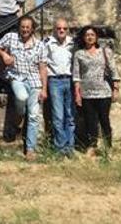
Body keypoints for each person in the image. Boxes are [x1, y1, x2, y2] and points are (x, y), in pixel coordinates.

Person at [0, 16, 47, 160]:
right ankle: (19, 116)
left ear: (32, 29)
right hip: (16, 77)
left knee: (34, 115)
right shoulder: (11, 37)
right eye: (22, 27)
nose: (25, 29)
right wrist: (4, 54)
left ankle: (30, 149)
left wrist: (44, 88)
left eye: (27, 27)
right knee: (21, 97)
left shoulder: (40, 45)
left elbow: (42, 68)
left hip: (34, 81)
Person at [73, 26, 120, 155]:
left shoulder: (105, 51)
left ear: (96, 37)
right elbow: (76, 76)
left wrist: (115, 88)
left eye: (92, 35)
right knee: (90, 122)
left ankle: (108, 147)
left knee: (104, 120)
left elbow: (114, 70)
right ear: (83, 37)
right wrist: (77, 94)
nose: (89, 37)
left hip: (104, 92)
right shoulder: (79, 54)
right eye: (87, 35)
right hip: (87, 93)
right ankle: (92, 146)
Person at [45, 18, 76, 156]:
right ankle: (60, 147)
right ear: (54, 29)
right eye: (59, 28)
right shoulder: (47, 43)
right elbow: (43, 65)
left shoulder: (73, 43)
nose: (61, 31)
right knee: (58, 116)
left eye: (64, 28)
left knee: (70, 116)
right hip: (55, 81)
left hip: (69, 80)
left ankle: (70, 147)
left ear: (67, 30)